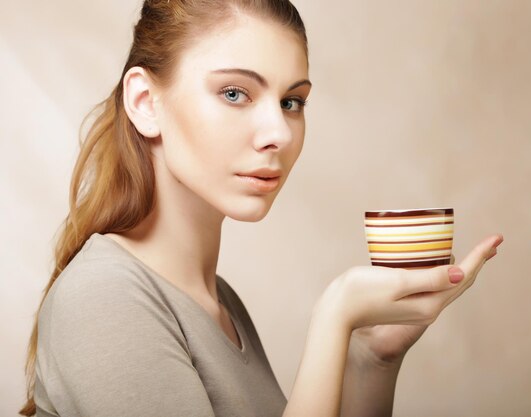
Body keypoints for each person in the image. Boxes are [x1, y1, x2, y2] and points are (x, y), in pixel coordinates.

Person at [19, 0, 504, 416]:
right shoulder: (105, 299)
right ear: (146, 102)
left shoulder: (219, 303)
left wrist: (369, 356)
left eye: (293, 101)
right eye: (235, 93)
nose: (279, 132)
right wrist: (335, 315)